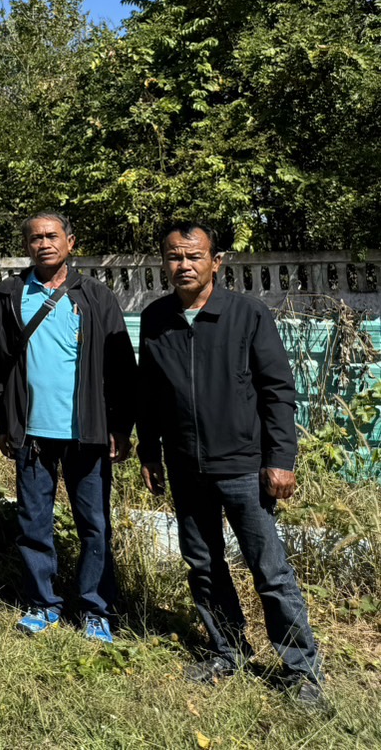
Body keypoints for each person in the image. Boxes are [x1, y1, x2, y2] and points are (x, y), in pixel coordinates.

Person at [137, 221, 324, 704]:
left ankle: (301, 670)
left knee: (271, 570)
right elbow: (151, 396)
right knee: (202, 563)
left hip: (244, 466)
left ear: (216, 262)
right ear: (164, 263)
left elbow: (278, 391)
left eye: (194, 256)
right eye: (174, 257)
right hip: (185, 467)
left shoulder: (246, 314)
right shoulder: (156, 319)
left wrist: (280, 458)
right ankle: (229, 651)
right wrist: (149, 451)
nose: (184, 265)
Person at [0, 211, 136, 643]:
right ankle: (42, 603)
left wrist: (120, 426)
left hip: (87, 433)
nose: (44, 243)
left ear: (70, 241)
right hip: (31, 434)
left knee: (93, 523)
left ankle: (94, 608)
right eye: (35, 238)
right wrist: (5, 420)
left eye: (52, 236)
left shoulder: (94, 296)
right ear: (27, 245)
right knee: (33, 523)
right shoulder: (9, 296)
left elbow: (121, 368)